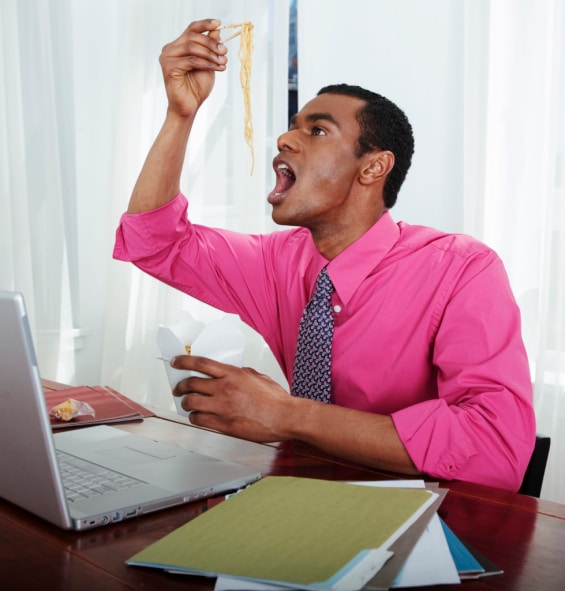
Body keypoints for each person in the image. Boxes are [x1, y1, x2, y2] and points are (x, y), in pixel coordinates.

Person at [113, 19, 536, 491]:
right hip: (299, 499)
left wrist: (288, 416)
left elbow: (496, 449)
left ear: (373, 166)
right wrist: (180, 115)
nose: (284, 140)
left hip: (428, 520)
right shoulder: (278, 262)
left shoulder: (463, 270)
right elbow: (155, 241)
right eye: (293, 127)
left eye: (317, 131)